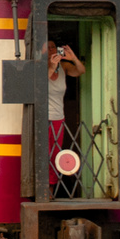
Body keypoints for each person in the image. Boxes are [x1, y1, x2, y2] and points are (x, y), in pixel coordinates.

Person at [44, 40, 85, 186]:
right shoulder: (39, 67)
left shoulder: (64, 66)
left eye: (53, 47)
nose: (51, 50)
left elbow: (81, 71)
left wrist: (73, 58)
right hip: (42, 118)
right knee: (43, 154)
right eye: (47, 48)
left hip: (58, 118)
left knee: (56, 154)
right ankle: (43, 189)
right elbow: (38, 86)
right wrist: (51, 67)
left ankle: (52, 187)